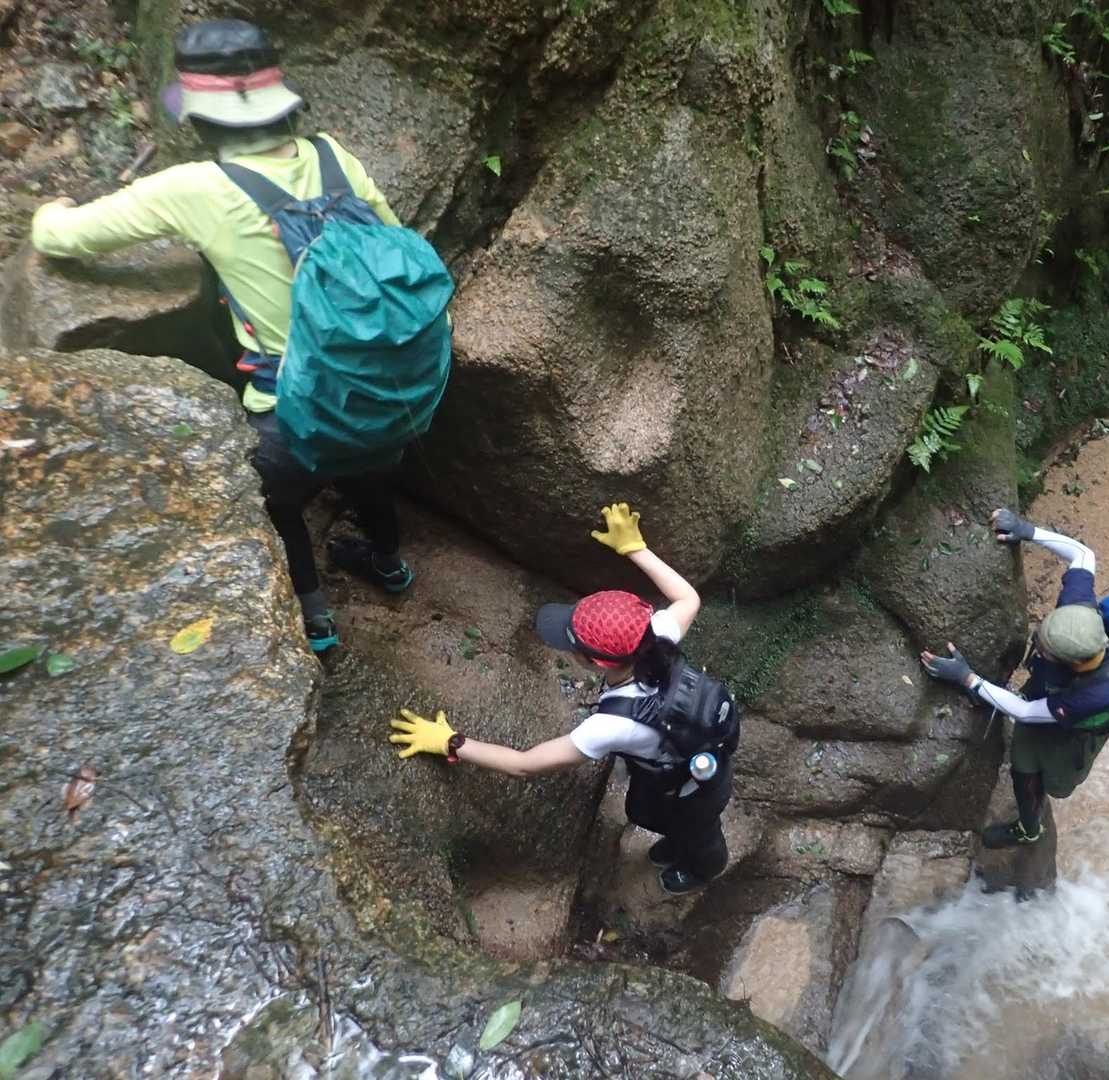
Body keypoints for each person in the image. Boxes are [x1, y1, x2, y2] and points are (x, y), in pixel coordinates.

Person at [28, 19, 414, 653]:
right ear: (282, 103)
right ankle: (391, 567)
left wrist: (55, 207)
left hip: (295, 414)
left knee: (277, 504)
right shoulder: (333, 156)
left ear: (203, 121)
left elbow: (57, 238)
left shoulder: (195, 189)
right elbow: (400, 248)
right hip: (390, 391)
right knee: (372, 478)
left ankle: (315, 621)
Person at [388, 503, 732, 896]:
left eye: (572, 643)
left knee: (697, 830)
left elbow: (524, 765)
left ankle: (704, 867)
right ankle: (681, 843)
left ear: (598, 662)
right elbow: (688, 598)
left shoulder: (610, 726)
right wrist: (635, 548)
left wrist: (452, 742)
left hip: (698, 788)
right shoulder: (656, 636)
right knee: (643, 812)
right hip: (681, 757)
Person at [922, 508, 1109, 850]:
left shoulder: (1098, 693)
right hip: (1048, 695)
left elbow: (1027, 713)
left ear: (1073, 663)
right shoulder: (1079, 611)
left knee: (1045, 778)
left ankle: (1031, 829)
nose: (1038, 648)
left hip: (1077, 728)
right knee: (1023, 766)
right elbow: (1083, 555)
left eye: (1046, 650)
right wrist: (1027, 531)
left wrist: (968, 679)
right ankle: (1030, 823)